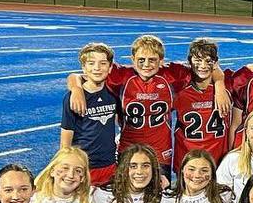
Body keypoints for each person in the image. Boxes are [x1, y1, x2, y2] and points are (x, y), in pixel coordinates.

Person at [67, 35, 229, 177]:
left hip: (160, 152)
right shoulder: (120, 77)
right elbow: (81, 76)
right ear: (132, 60)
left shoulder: (173, 75)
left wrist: (220, 85)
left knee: (158, 196)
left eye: (152, 60)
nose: (146, 65)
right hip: (129, 149)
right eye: (141, 60)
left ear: (161, 61)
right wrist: (76, 88)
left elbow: (206, 66)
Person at [60, 43, 119, 185]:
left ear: (110, 67)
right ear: (83, 68)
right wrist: (65, 165)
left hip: (109, 164)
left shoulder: (114, 93)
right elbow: (65, 141)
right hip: (84, 166)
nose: (97, 68)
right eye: (91, 63)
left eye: (103, 63)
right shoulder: (73, 98)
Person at [174, 39, 232, 164]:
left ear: (216, 63)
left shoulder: (229, 84)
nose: (203, 65)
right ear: (189, 62)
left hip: (219, 159)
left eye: (208, 61)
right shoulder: (179, 88)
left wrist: (220, 83)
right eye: (198, 60)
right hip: (187, 158)